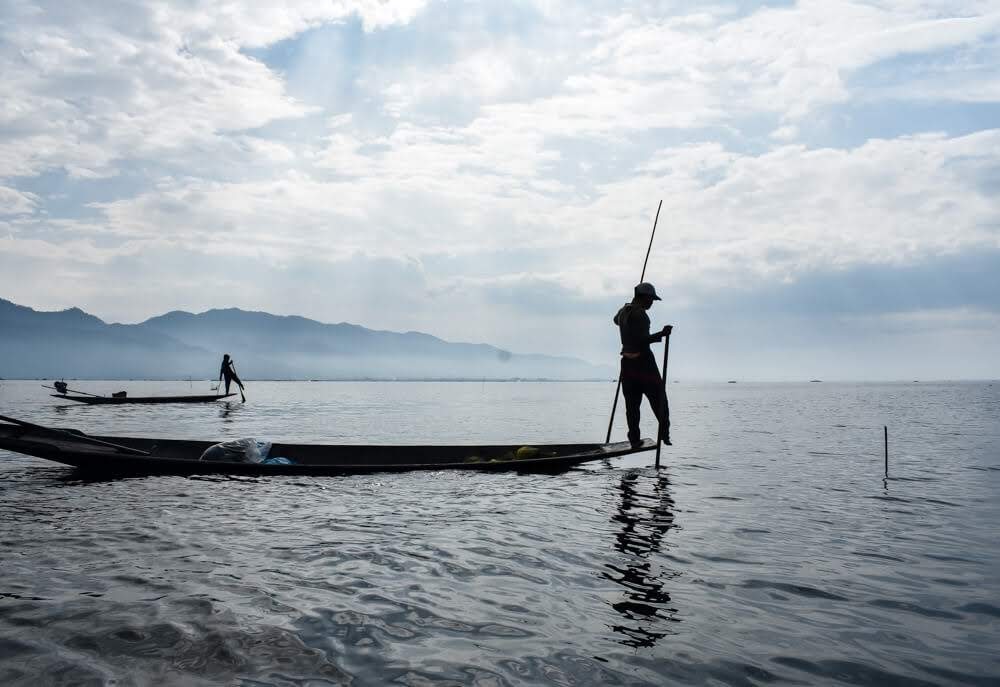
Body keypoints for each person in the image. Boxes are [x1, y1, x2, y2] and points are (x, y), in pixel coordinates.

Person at [614, 282, 672, 448]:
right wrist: (662, 334)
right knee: (660, 399)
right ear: (644, 297)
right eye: (651, 299)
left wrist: (626, 308)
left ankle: (634, 439)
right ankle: (665, 433)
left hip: (627, 364)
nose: (652, 303)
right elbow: (641, 341)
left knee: (632, 407)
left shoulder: (624, 311)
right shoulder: (640, 315)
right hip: (643, 364)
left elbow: (615, 321)